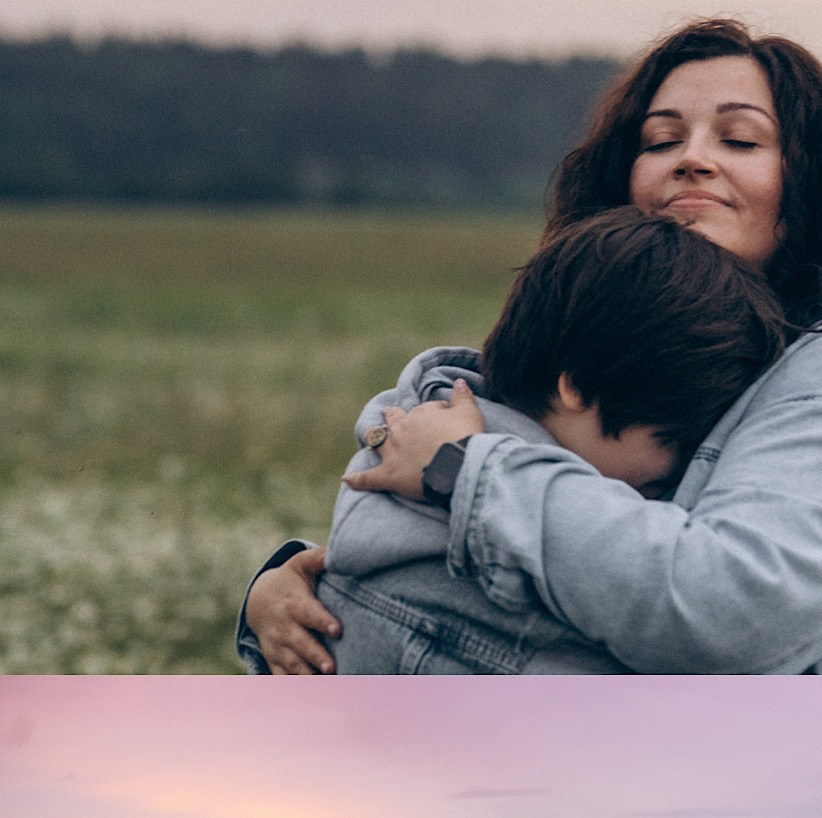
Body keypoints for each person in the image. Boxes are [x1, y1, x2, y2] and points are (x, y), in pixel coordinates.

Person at [241, 18, 822, 675]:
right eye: (662, 138)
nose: (692, 157)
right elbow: (522, 591)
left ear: (812, 185)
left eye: (739, 138)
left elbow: (714, 610)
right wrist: (302, 589)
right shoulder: (616, 334)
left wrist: (463, 471)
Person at [240, 208, 785, 674]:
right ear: (578, 387)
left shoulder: (408, 455)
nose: (680, 468)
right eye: (675, 439)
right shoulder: (517, 589)